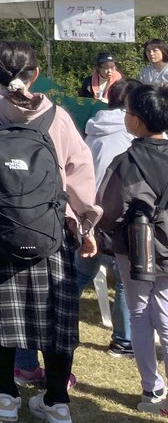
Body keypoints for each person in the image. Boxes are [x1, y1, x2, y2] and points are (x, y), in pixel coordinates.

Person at [0, 40, 99, 423]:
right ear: (35, 74)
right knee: (57, 319)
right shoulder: (57, 116)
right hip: (52, 232)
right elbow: (80, 173)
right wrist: (87, 224)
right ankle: (57, 401)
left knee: (0, 318)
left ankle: (6, 397)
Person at [97, 83, 168, 415]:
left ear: (137, 121)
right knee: (165, 314)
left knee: (139, 312)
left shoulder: (126, 161)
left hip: (134, 246)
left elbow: (107, 209)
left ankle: (151, 389)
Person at [81, 78, 135, 357]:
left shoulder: (94, 126)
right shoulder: (131, 131)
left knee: (80, 273)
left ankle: (51, 320)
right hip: (120, 215)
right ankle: (123, 341)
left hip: (89, 213)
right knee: (126, 279)